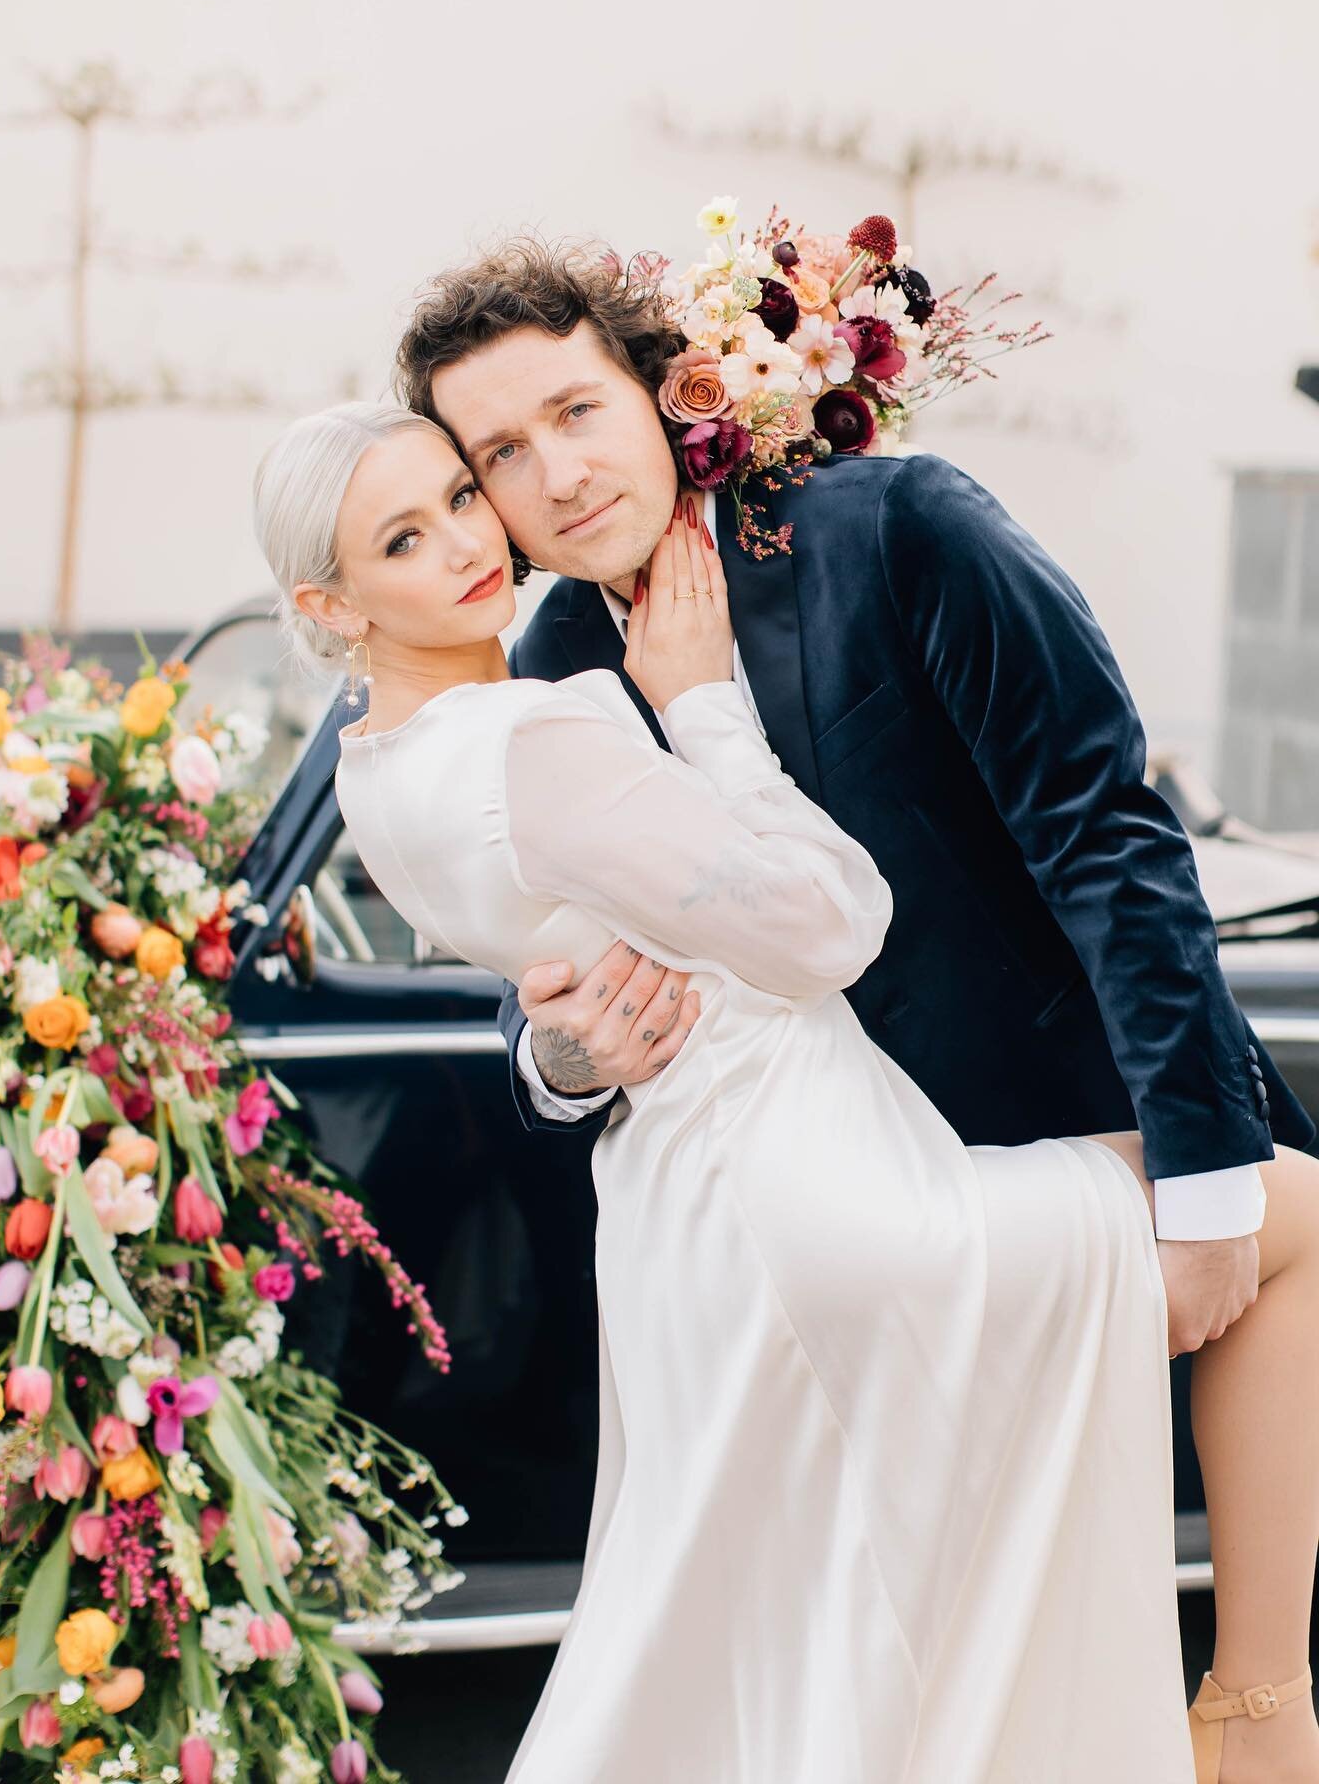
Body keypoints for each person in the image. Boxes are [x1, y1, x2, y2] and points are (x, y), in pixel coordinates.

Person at [256, 396, 1319, 1782]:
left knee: (797, 1638)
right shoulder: (543, 710)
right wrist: (703, 701)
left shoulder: (380, 762)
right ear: (331, 604)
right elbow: (828, 925)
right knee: (1286, 1212)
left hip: (689, 1221)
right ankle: (1261, 1713)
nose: (474, 534)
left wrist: (573, 1031)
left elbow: (550, 952)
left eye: (463, 493)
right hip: (818, 1187)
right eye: (414, 530)